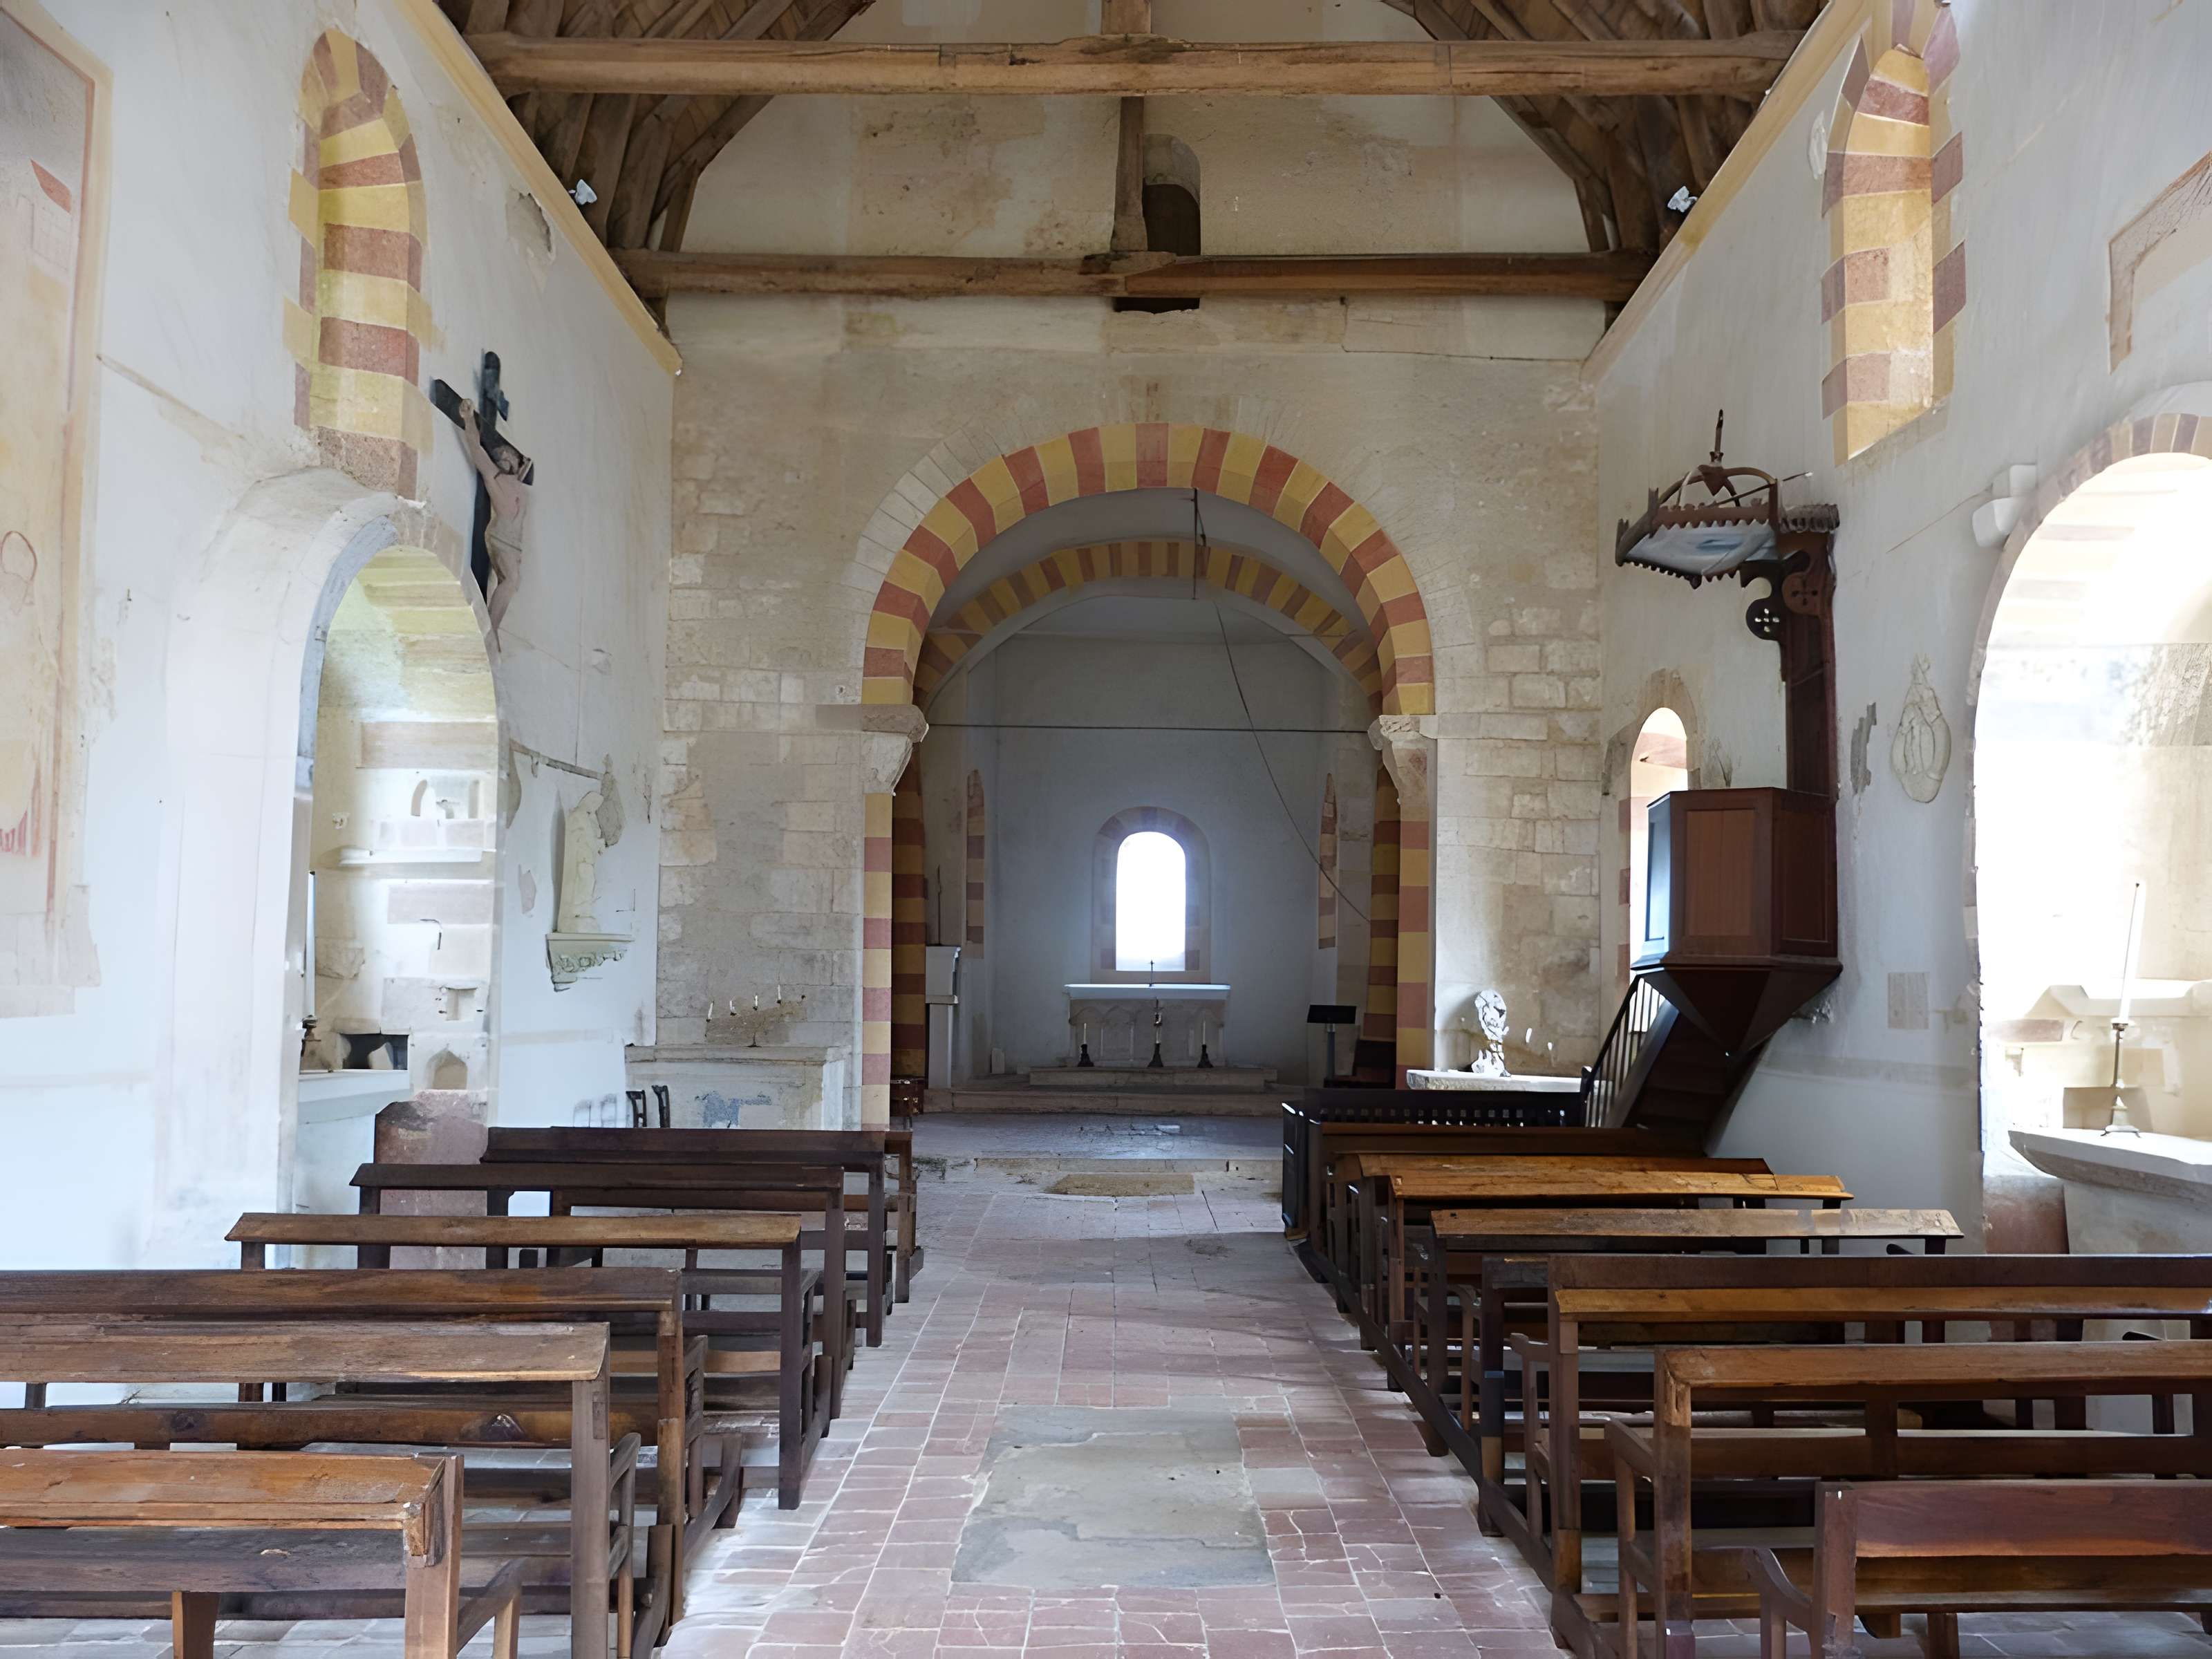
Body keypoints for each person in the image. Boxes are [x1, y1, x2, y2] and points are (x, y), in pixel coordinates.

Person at [452, 397, 531, 646]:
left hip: (515, 544)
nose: (504, 457)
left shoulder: (520, 487)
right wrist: (469, 419)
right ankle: (491, 628)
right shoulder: (495, 477)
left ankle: (492, 627)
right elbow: (476, 449)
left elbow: (524, 470)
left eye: (509, 455)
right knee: (511, 580)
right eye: (501, 455)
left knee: (512, 582)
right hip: (501, 536)